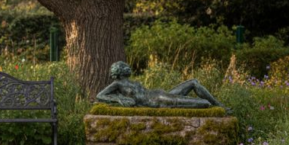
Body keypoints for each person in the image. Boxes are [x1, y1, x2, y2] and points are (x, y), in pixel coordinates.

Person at [95, 61, 225, 109]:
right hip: (156, 101)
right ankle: (214, 106)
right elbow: (100, 95)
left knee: (193, 82)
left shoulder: (131, 82)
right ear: (119, 70)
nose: (128, 67)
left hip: (159, 94)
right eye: (124, 66)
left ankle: (219, 105)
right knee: (203, 104)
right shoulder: (117, 84)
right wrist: (119, 99)